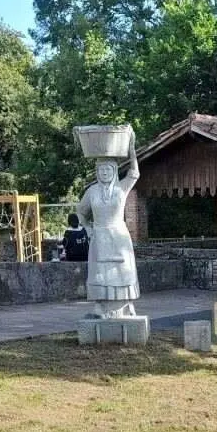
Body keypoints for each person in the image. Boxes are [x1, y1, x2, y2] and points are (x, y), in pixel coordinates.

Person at [76, 128, 140, 319]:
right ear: (97, 172)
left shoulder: (121, 188)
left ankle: (126, 304)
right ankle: (101, 306)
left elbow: (134, 172)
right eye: (101, 170)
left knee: (123, 270)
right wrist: (87, 227)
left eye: (108, 169)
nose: (104, 173)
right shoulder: (92, 191)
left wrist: (131, 147)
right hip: (99, 235)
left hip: (119, 235)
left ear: (113, 171)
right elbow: (80, 211)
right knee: (100, 273)